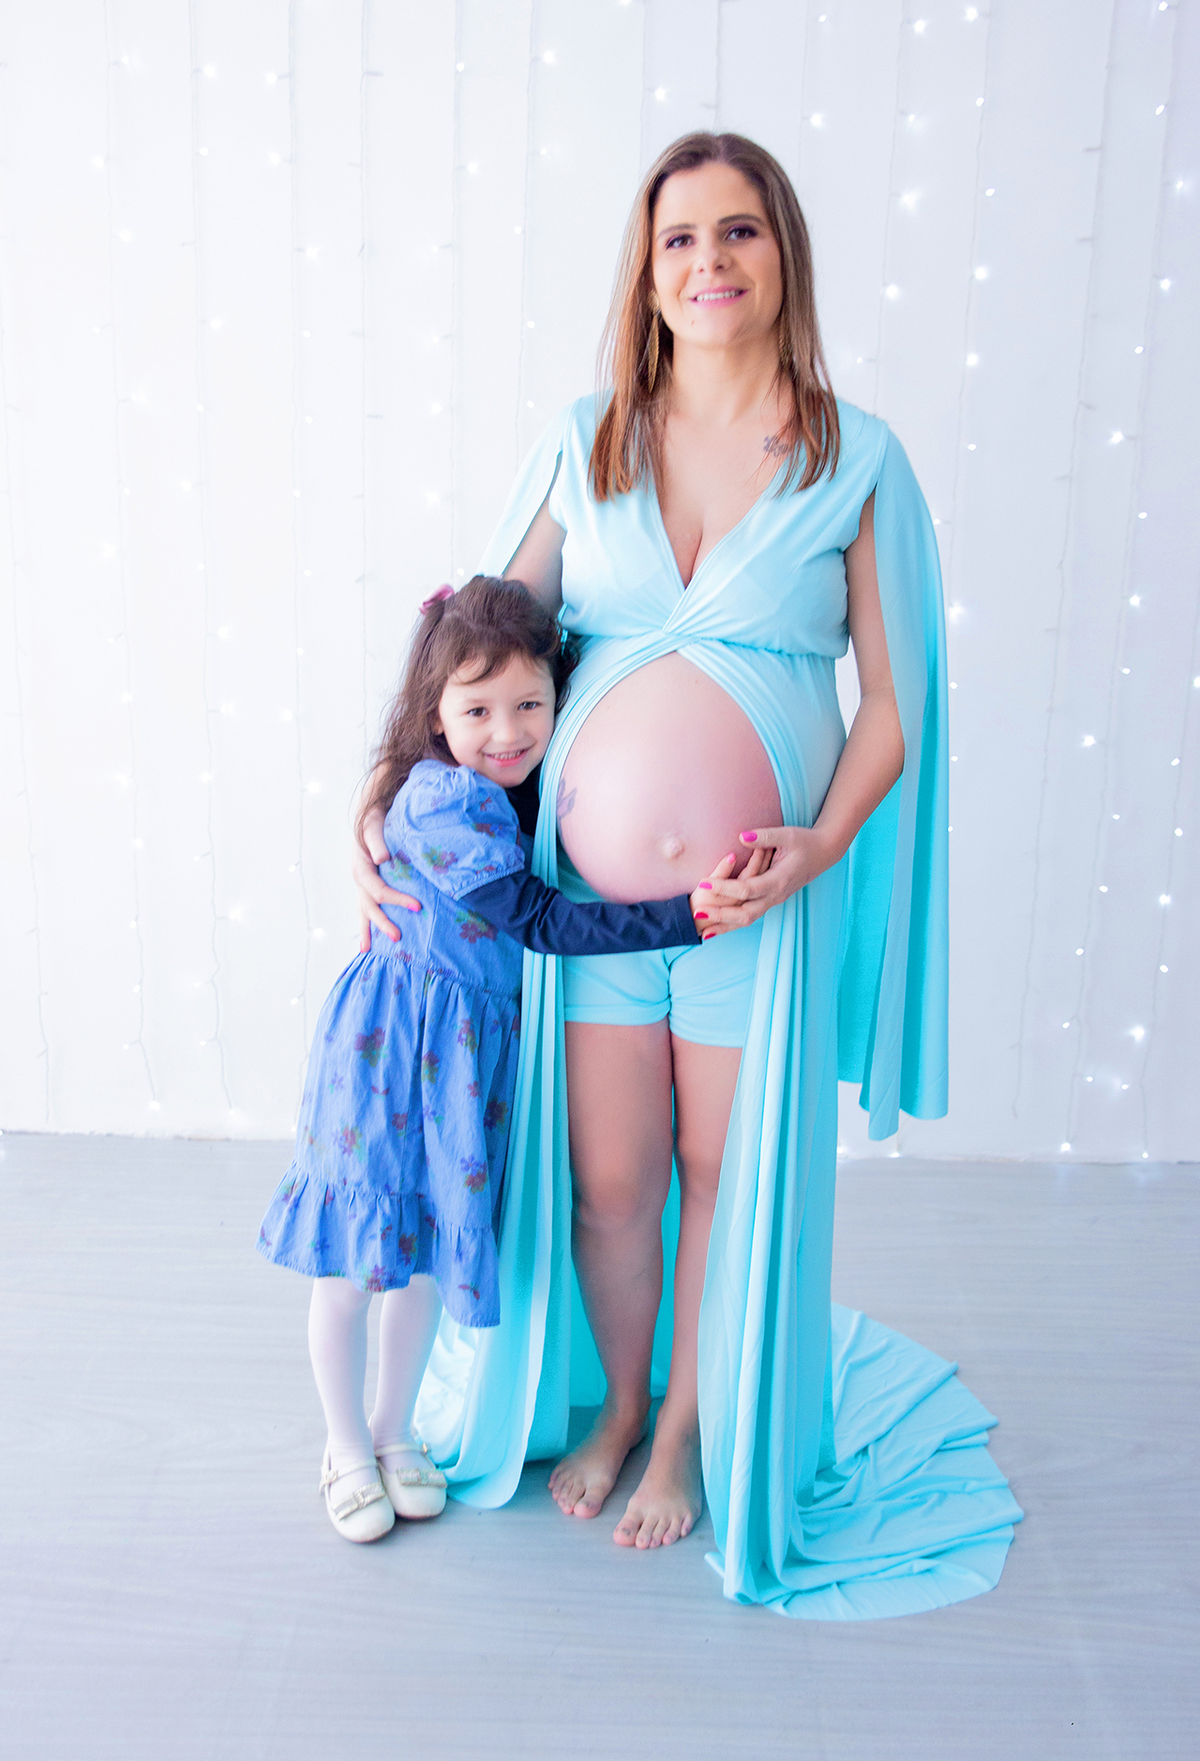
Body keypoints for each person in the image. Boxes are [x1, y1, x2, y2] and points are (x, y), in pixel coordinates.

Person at [355, 132, 1022, 1617]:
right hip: (581, 919)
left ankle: (680, 1429)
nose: (708, 263)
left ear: (783, 253)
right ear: (645, 274)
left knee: (724, 1175)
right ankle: (605, 1402)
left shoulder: (857, 457)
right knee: (609, 1184)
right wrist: (382, 809)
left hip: (749, 906)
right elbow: (473, 644)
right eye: (678, 241)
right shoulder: (589, 437)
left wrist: (823, 842)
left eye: (738, 233)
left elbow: (896, 710)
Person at [259, 575, 735, 1543]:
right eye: (478, 710)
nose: (508, 731)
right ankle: (343, 1444)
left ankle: (394, 1435)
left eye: (530, 705)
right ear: (434, 715)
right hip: (395, 1048)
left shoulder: (501, 796)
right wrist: (687, 913)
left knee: (426, 1255)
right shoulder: (442, 806)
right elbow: (539, 921)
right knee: (355, 1261)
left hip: (465, 1058)